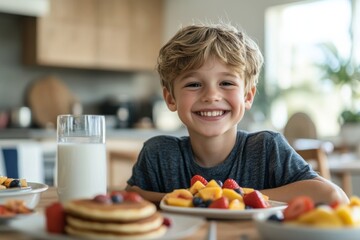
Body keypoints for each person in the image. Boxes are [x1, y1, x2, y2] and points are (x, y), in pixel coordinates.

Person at [126, 22, 349, 205]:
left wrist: (234, 195)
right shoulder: (158, 154)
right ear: (170, 98)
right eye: (194, 84)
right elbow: (128, 200)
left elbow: (333, 195)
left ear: (248, 96)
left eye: (226, 82)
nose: (211, 95)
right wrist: (197, 198)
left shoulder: (266, 149)